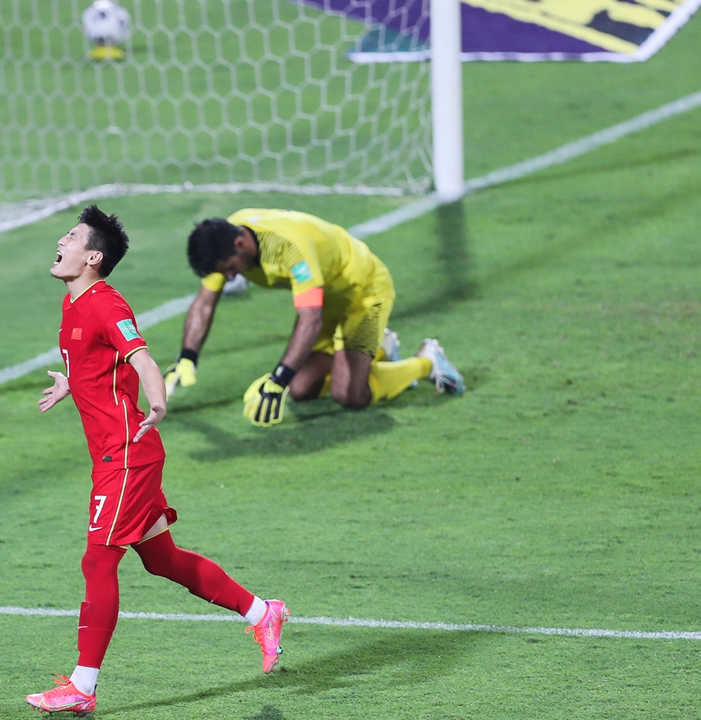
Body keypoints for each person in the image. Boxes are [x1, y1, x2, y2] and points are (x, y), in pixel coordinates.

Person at [25, 205, 289, 716]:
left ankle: (82, 687)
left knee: (98, 559)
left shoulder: (106, 304)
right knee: (161, 558)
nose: (62, 240)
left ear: (93, 258)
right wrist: (69, 384)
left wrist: (159, 400)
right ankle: (263, 612)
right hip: (114, 455)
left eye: (73, 236)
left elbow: (142, 357)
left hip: (127, 456)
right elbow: (93, 363)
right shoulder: (73, 303)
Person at [164, 208, 465, 427]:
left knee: (349, 394)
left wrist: (277, 379)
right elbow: (204, 304)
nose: (229, 277)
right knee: (302, 389)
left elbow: (311, 320)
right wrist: (187, 357)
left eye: (229, 268)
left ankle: (426, 361)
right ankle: (379, 350)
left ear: (239, 244)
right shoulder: (226, 240)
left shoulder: (288, 249)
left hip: (363, 292)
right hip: (326, 297)